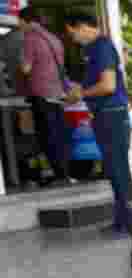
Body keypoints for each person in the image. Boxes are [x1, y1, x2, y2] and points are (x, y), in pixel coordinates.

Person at [64, 12, 132, 235]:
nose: (73, 38)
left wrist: (81, 94)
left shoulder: (102, 47)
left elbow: (108, 85)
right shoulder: (94, 49)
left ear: (84, 26)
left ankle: (131, 223)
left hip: (112, 115)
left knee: (118, 169)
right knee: (114, 170)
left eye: (73, 33)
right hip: (106, 114)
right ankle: (122, 221)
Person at [20, 7, 71, 187]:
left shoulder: (30, 38)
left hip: (41, 93)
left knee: (46, 135)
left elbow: (26, 68)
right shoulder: (54, 39)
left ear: (25, 21)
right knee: (58, 133)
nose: (20, 27)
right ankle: (64, 172)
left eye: (20, 23)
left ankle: (57, 175)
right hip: (57, 93)